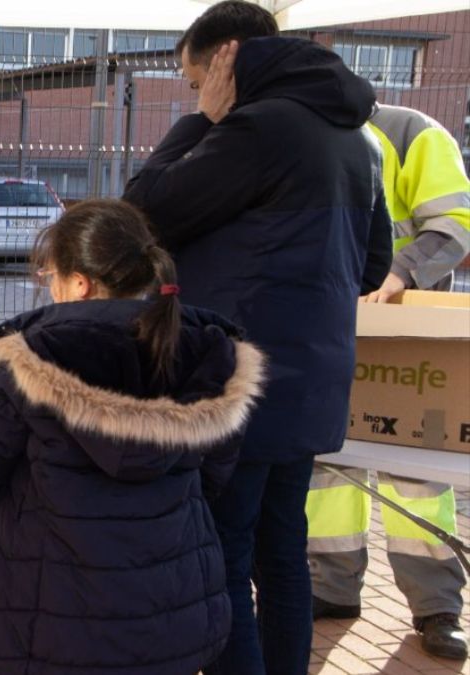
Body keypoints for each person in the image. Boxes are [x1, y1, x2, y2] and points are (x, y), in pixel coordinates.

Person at [121, 2, 393, 672]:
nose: (195, 94)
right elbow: (375, 264)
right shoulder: (355, 137)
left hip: (239, 385)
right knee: (281, 552)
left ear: (225, 58)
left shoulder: (256, 127)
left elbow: (142, 209)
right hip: (310, 387)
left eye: (193, 80)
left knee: (225, 555)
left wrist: (199, 121)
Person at [0, 199, 264, 674]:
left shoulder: (33, 357)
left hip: (47, 607)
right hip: (168, 606)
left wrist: (25, 515)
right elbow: (216, 473)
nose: (49, 286)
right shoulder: (203, 352)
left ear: (79, 282)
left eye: (51, 274)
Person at [307, 103, 470, 660]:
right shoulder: (307, 135)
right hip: (333, 327)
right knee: (330, 466)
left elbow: (455, 224)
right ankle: (331, 589)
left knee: (416, 476)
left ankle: (436, 609)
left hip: (406, 335)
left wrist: (402, 273)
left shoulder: (412, 133)